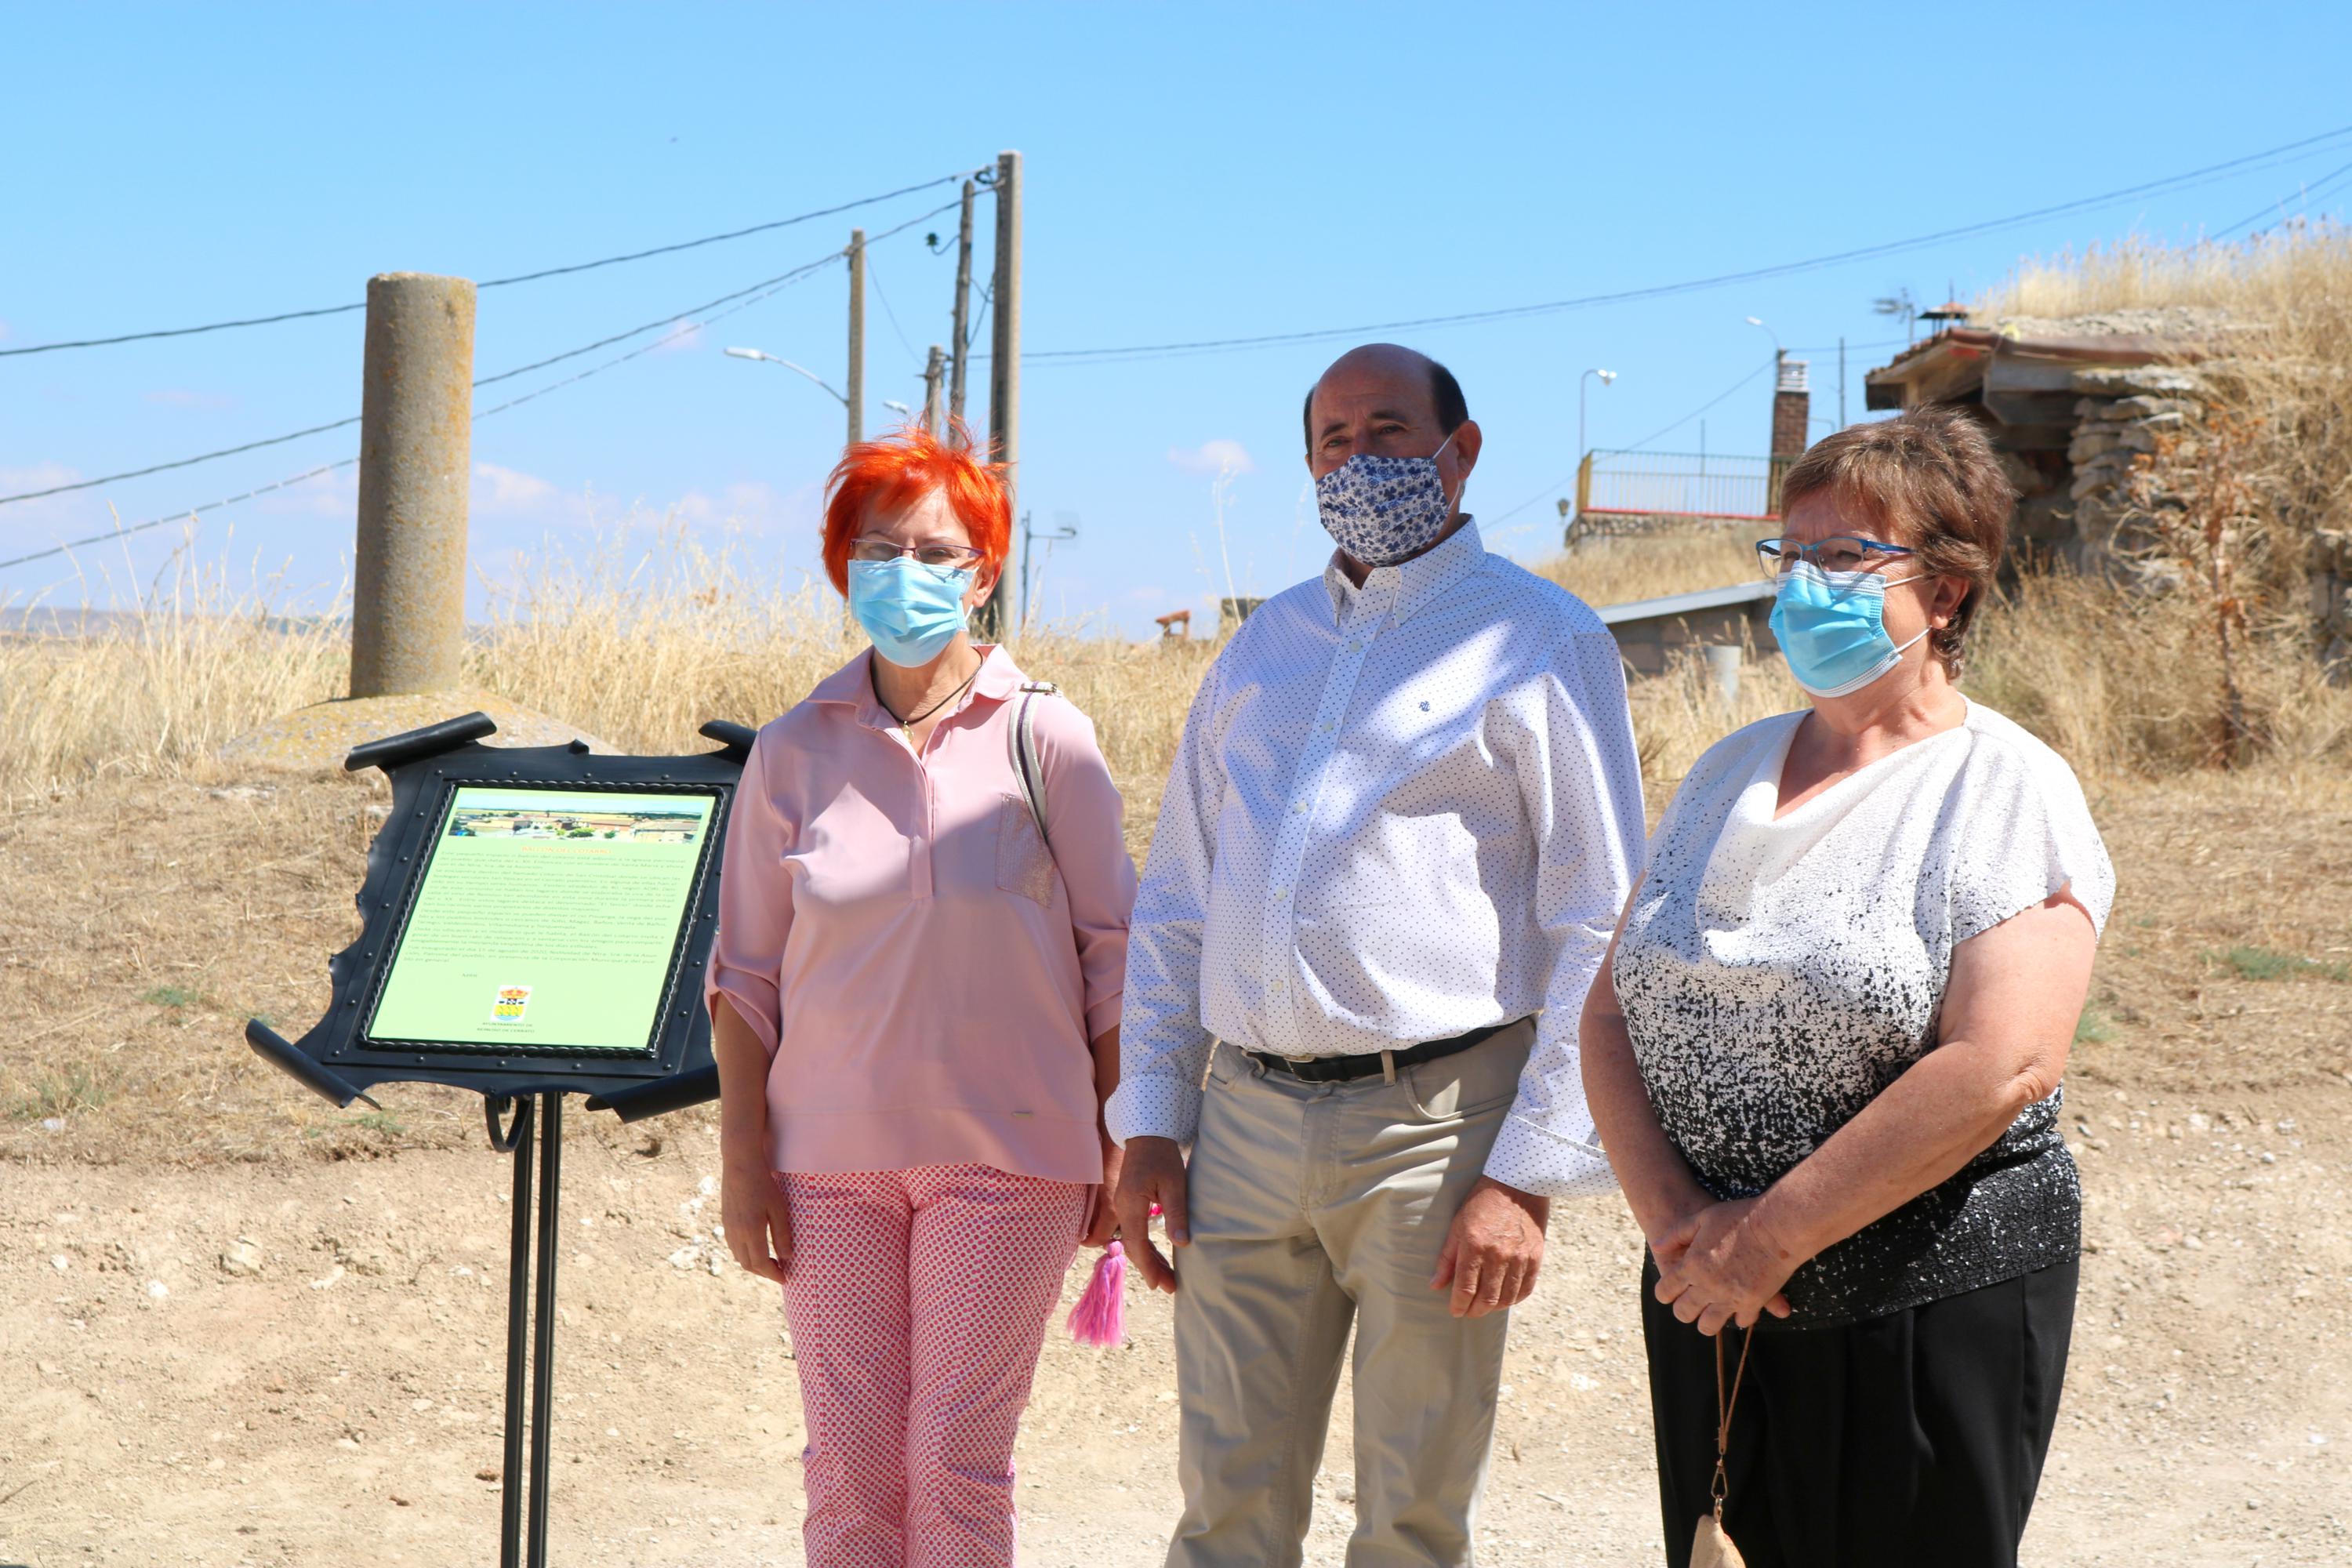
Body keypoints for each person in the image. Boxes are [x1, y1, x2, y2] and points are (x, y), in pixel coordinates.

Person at [1111, 343, 1648, 1567]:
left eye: (1392, 431)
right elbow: (1181, 900)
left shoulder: (1537, 640)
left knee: (1410, 1515)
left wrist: (1525, 1178)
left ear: (1461, 452)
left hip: (1437, 1132)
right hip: (1242, 1124)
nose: (1362, 460)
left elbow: (1596, 924)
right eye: (1335, 439)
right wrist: (1151, 1116)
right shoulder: (1261, 650)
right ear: (1306, 464)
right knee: (1224, 1509)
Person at [1580, 406, 2114, 1568]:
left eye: (1848, 556)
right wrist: (1683, 1232)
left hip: (1921, 1301)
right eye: (1792, 554)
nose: (1804, 586)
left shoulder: (2004, 786)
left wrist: (1768, 1238)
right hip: (1711, 1297)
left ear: (1950, 590)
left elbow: (2003, 1061)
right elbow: (1614, 1007)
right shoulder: (1726, 771)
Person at [706, 423, 1137, 1568]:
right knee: (846, 1471)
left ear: (984, 572)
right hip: (827, 1165)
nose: (909, 574)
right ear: (844, 566)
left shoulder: (1053, 739)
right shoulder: (793, 751)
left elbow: (1114, 957)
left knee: (952, 1462)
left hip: (1012, 1160)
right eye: (881, 547)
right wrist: (743, 1157)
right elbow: (744, 976)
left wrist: (1123, 1137)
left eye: (938, 552)